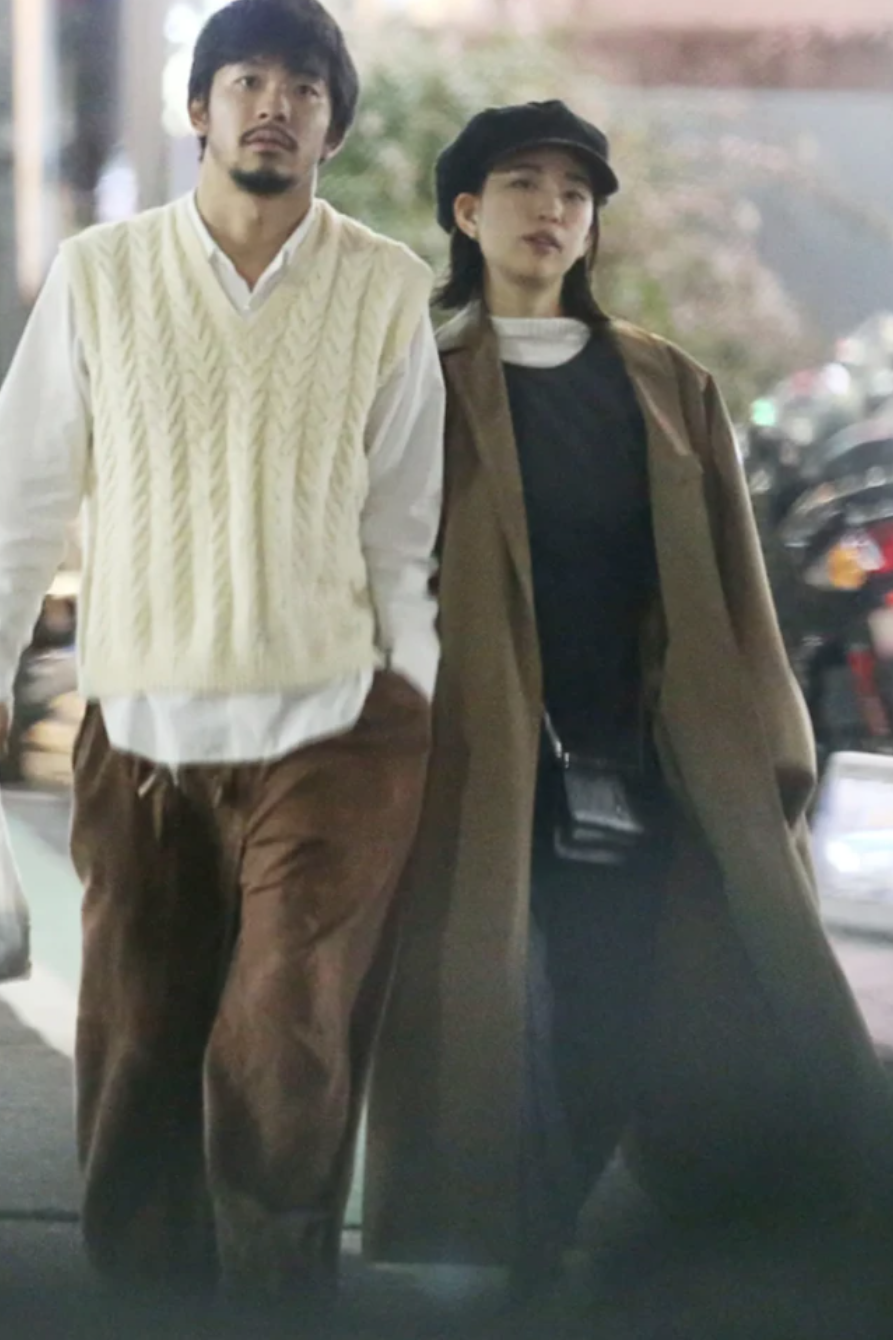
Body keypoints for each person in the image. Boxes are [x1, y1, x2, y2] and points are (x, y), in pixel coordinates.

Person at [0, 0, 443, 1308]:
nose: (273, 104)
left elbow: (404, 525)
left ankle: (276, 1297)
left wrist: (416, 689)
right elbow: (18, 488)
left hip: (335, 725)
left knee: (285, 1032)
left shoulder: (386, 289)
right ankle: (148, 1298)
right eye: (246, 81)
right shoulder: (101, 275)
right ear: (199, 109)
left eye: (302, 88)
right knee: (137, 1042)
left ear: (333, 127)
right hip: (143, 728)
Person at [362, 100, 893, 1298]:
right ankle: (503, 1251)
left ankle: (565, 1243)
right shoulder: (415, 380)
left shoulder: (663, 383)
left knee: (623, 1002)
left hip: (639, 755)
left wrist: (765, 756)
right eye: (522, 183)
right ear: (465, 212)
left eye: (574, 192)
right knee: (498, 1008)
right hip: (475, 752)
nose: (551, 209)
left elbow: (735, 595)